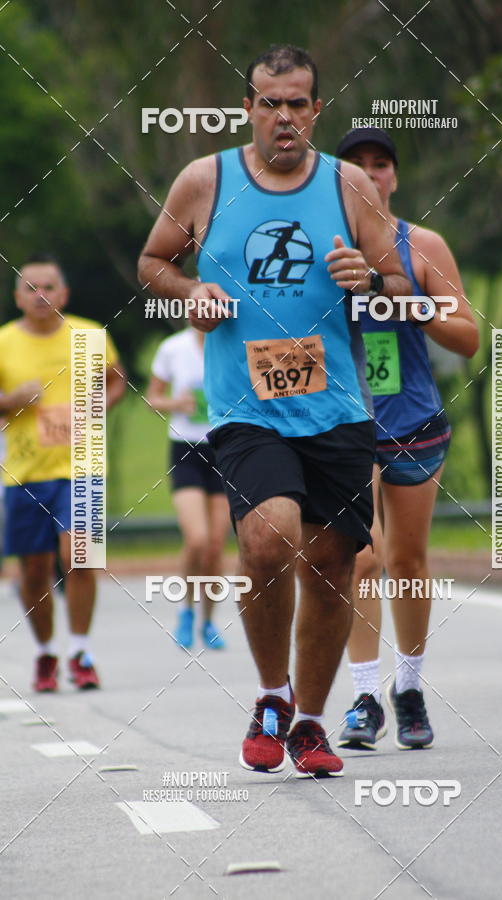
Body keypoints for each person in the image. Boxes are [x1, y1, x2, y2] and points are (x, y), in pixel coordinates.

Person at [138, 45, 412, 777]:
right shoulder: (206, 180)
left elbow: (397, 283)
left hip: (336, 409)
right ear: (249, 108)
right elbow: (153, 262)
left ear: (316, 109)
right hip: (244, 407)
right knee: (267, 540)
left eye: (297, 103)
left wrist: (368, 279)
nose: (283, 117)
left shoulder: (350, 186)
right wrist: (187, 291)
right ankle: (270, 696)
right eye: (269, 103)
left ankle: (312, 724)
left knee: (332, 566)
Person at [334, 128, 479, 752]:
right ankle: (364, 696)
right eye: (357, 166)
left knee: (408, 561)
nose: (371, 175)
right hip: (339, 421)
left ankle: (410, 687)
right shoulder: (320, 247)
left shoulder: (422, 245)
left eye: (381, 165)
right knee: (362, 558)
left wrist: (406, 303)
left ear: (393, 176)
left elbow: (468, 336)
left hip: (412, 419)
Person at [0, 254, 125, 692]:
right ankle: (45, 653)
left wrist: (95, 409)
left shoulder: (88, 334)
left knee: (80, 557)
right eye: (30, 288)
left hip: (83, 466)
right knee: (33, 570)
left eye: (48, 287)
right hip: (25, 472)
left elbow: (116, 380)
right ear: (17, 297)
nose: (40, 295)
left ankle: (80, 651)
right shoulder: (4, 342)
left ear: (64, 294)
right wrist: (12, 397)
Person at [147, 326, 229, 650]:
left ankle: (208, 620)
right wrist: (173, 403)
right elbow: (152, 397)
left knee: (215, 545)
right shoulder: (172, 347)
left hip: (224, 449)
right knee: (197, 539)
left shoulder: (232, 342)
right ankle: (185, 611)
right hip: (186, 450)